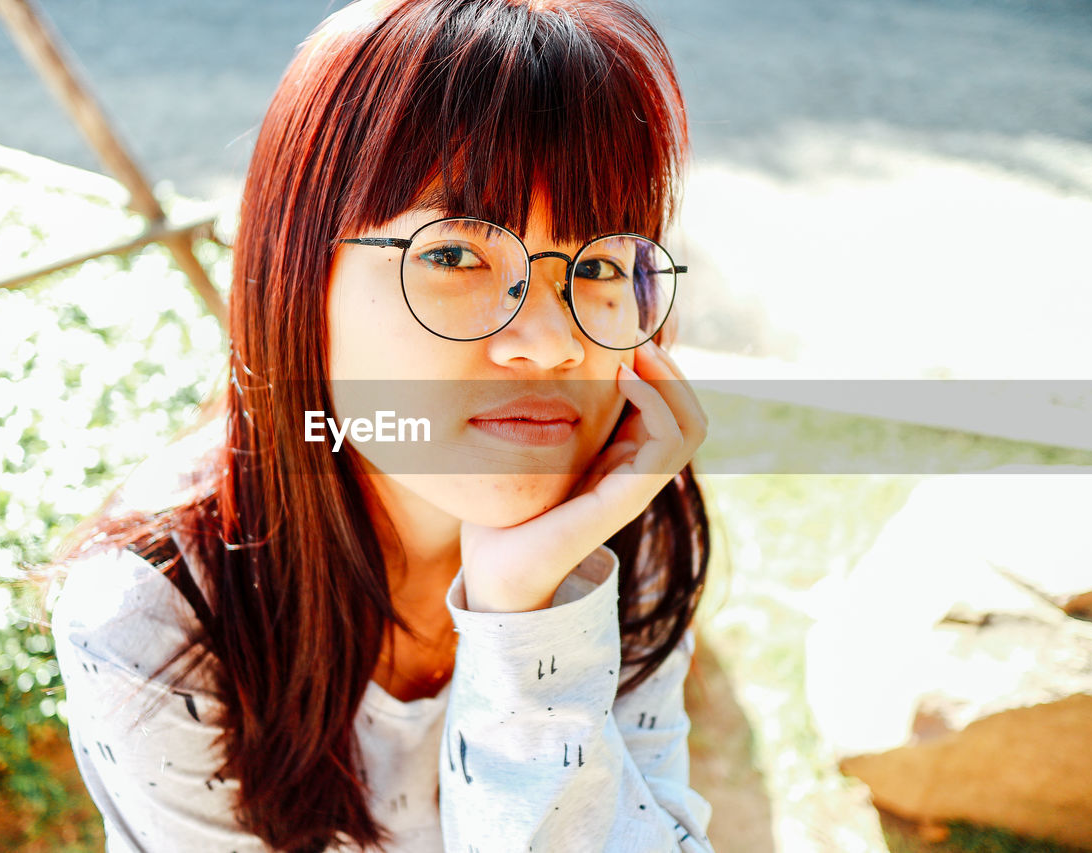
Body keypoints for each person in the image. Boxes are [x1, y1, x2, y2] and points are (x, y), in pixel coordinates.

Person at [46, 0, 715, 850]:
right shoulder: (158, 620)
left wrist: (528, 614)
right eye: (454, 254)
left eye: (600, 265)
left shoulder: (625, 526)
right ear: (295, 274)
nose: (551, 342)